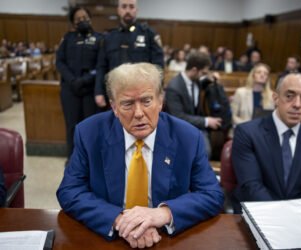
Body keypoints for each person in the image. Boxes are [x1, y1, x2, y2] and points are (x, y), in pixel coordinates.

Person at [57, 63, 224, 248]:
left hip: (166, 238)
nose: (138, 113)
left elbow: (212, 194)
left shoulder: (188, 137)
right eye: (127, 104)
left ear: (160, 101)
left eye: (146, 101)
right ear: (114, 107)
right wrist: (120, 221)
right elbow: (69, 191)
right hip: (110, 238)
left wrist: (162, 214)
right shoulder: (89, 133)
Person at [232, 73, 301, 213]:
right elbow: (251, 187)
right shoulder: (247, 133)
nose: (297, 104)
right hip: (257, 212)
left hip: (299, 219)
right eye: (289, 96)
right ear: (276, 98)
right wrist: (284, 217)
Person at [94, 0, 164, 109]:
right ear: (118, 10)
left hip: (142, 94)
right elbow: (101, 66)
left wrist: (159, 91)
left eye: (131, 7)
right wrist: (98, 92)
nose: (128, 10)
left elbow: (158, 66)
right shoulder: (109, 37)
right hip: (115, 92)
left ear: (136, 10)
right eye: (124, 7)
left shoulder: (148, 34)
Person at [56, 7, 104, 160]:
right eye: (78, 19)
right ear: (74, 23)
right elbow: (59, 62)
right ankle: (72, 160)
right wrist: (71, 79)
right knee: (72, 127)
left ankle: (90, 161)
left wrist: (84, 80)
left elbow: (101, 65)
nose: (82, 21)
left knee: (90, 128)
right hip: (70, 89)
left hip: (90, 90)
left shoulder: (99, 38)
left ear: (90, 18)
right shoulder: (68, 38)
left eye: (85, 17)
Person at [165, 52, 222, 158]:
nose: (204, 75)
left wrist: (209, 78)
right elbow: (178, 117)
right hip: (181, 128)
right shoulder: (174, 87)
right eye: (203, 73)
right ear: (194, 70)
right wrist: (206, 121)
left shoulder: (196, 80)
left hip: (196, 126)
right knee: (204, 152)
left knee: (209, 151)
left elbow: (200, 83)